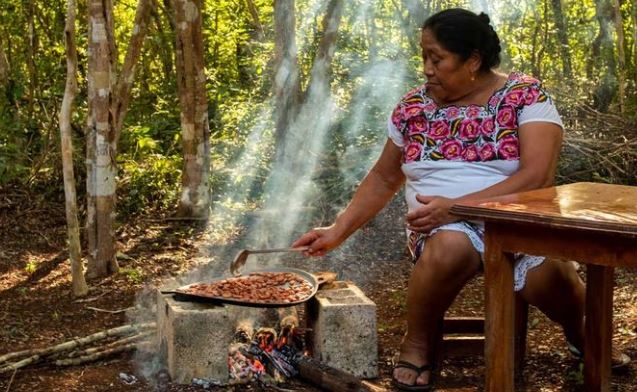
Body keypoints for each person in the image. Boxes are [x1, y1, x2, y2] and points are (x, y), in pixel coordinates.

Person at [292, 8, 630, 391]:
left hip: (519, 220)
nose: (427, 68)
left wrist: (456, 206)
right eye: (423, 57)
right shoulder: (413, 107)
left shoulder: (524, 95)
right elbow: (385, 176)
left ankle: (582, 334)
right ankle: (416, 342)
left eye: (436, 58)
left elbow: (537, 176)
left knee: (546, 279)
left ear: (472, 60)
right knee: (451, 244)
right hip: (440, 227)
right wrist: (338, 230)